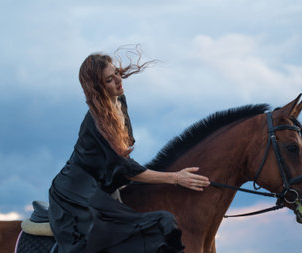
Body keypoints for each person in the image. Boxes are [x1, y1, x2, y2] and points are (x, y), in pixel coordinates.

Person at [48, 52, 210, 253]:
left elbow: (124, 159)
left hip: (103, 186)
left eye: (116, 73)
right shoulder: (96, 122)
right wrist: (176, 178)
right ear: (98, 88)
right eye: (109, 79)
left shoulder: (120, 100)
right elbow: (125, 168)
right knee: (161, 222)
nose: (118, 80)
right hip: (76, 192)